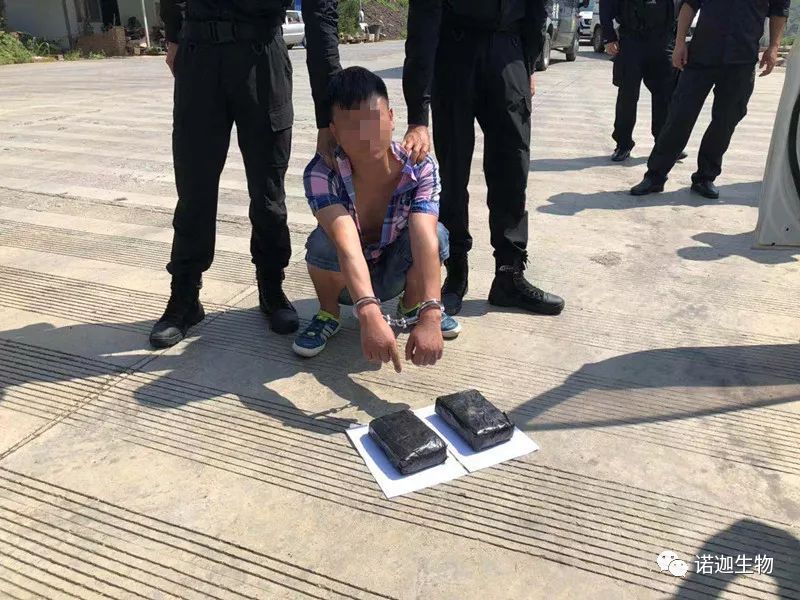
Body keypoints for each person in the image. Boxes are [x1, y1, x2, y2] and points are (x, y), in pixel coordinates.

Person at [151, 0, 339, 348]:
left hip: (261, 54)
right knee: (194, 190)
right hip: (199, 53)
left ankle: (271, 286)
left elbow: (321, 13)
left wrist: (328, 114)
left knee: (268, 193)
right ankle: (185, 296)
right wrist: (174, 34)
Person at [401, 0, 565, 317]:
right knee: (452, 172)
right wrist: (417, 115)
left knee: (512, 169)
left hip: (508, 50)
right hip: (454, 50)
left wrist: (527, 64)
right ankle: (455, 273)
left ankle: (509, 275)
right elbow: (423, 19)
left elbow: (537, 7)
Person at [293, 67, 460, 369]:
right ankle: (328, 314)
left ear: (392, 117)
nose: (365, 136)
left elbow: (424, 236)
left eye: (373, 120)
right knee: (322, 241)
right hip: (347, 282)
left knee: (438, 234)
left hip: (396, 272)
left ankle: (413, 307)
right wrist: (369, 313)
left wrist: (432, 313)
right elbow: (345, 243)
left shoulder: (420, 166)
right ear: (334, 131)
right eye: (351, 126)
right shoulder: (321, 172)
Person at [631, 0, 789, 199]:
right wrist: (679, 43)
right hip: (701, 55)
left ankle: (705, 177)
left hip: (742, 59)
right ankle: (655, 176)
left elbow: (779, 11)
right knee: (680, 115)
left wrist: (774, 47)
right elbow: (689, 5)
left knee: (726, 121)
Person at [601, 0, 680, 162]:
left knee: (665, 95)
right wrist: (608, 37)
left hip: (663, 40)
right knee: (627, 96)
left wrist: (679, 41)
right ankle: (623, 144)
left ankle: (664, 144)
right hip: (631, 39)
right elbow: (606, 5)